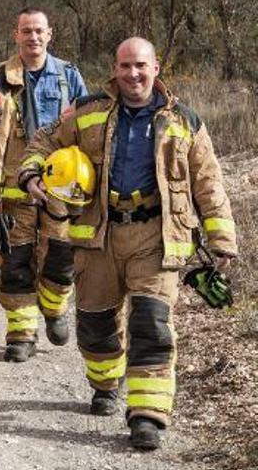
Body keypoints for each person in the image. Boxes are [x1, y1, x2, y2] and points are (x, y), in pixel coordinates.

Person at [19, 37, 237, 450]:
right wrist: (31, 176)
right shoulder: (87, 113)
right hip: (97, 234)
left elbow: (209, 183)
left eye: (141, 65)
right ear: (115, 69)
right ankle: (106, 384)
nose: (133, 74)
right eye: (125, 66)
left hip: (156, 237)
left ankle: (148, 415)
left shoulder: (185, 121)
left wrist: (221, 238)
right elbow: (44, 141)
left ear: (156, 69)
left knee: (151, 324)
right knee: (96, 326)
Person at [0, 7, 88, 363]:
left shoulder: (69, 76)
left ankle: (53, 308)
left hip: (61, 191)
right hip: (13, 194)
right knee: (16, 264)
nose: (32, 37)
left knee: (61, 260)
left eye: (39, 31)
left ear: (50, 34)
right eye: (26, 31)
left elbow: (90, 129)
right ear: (15, 35)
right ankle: (21, 334)